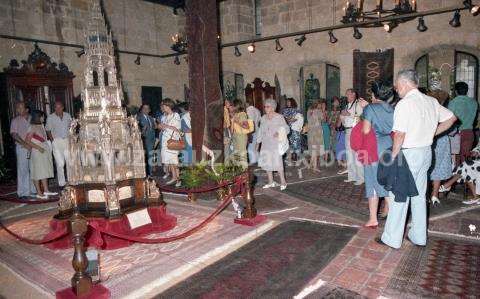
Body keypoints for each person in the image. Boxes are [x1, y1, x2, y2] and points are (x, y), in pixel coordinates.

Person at [378, 69, 456, 249]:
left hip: (408, 154)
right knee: (420, 195)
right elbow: (452, 118)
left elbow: (399, 134)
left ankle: (392, 238)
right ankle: (418, 236)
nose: (397, 90)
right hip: (426, 152)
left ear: (405, 84)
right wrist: (432, 133)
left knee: (399, 194)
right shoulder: (431, 101)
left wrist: (394, 156)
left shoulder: (404, 104)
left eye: (397, 87)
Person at [358, 81, 394, 228]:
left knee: (372, 182)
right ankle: (392, 215)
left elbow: (366, 130)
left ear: (373, 94)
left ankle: (373, 218)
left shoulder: (370, 108)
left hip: (373, 147)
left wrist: (366, 110)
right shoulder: (392, 108)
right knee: (387, 181)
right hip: (388, 145)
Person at [257, 99, 290, 191]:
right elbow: (260, 131)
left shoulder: (279, 117)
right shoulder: (263, 118)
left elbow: (287, 129)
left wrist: (279, 133)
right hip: (266, 142)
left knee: (278, 162)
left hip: (275, 143)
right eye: (265, 106)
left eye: (267, 106)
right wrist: (258, 143)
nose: (265, 108)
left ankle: (283, 182)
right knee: (267, 162)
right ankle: (271, 182)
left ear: (273, 107)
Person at [25, 110, 57, 199]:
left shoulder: (41, 125)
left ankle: (46, 190)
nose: (44, 118)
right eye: (42, 116)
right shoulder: (32, 127)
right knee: (37, 172)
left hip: (44, 150)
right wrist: (38, 148)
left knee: (44, 170)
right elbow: (27, 141)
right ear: (38, 117)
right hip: (37, 152)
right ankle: (39, 193)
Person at [428, 90, 452, 205]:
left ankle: (424, 194)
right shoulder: (445, 111)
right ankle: (434, 195)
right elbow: (453, 129)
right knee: (439, 167)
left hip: (430, 139)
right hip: (443, 140)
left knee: (427, 166)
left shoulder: (428, 110)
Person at [448, 81, 478, 165]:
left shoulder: (453, 103)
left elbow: (449, 120)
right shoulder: (474, 103)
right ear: (467, 91)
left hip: (456, 133)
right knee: (466, 158)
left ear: (456, 91)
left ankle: (456, 176)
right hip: (469, 132)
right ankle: (465, 176)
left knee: (456, 158)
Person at [10, 102, 36, 198]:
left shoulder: (32, 119)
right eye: (17, 108)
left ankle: (33, 190)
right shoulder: (15, 120)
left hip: (34, 147)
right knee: (23, 170)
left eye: (21, 108)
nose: (18, 110)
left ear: (26, 109)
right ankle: (23, 192)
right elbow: (14, 134)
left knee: (33, 169)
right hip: (22, 148)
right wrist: (25, 144)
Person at [340, 89, 364, 185]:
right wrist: (342, 116)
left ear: (353, 94)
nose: (347, 97)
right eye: (346, 95)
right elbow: (344, 119)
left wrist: (348, 114)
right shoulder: (347, 105)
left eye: (348, 95)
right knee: (349, 154)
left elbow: (361, 117)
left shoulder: (358, 104)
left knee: (357, 154)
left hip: (355, 131)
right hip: (347, 130)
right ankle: (352, 176)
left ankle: (361, 178)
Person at [46, 101, 72, 188]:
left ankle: (71, 180)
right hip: (56, 141)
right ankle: (62, 183)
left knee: (69, 161)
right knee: (60, 163)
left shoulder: (68, 115)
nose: (58, 109)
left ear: (63, 107)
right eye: (56, 107)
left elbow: (71, 127)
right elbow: (48, 130)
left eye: (59, 107)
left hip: (67, 140)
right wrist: (53, 141)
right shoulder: (50, 117)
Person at [157, 98, 182, 187]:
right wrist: (160, 126)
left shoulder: (176, 115)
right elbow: (163, 128)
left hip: (173, 140)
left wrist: (165, 126)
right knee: (170, 160)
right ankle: (174, 177)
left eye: (164, 105)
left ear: (168, 106)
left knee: (175, 161)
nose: (163, 107)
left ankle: (179, 179)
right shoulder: (166, 116)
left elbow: (177, 128)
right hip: (165, 140)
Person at [228, 99, 251, 169]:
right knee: (236, 156)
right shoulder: (236, 115)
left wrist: (236, 121)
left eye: (232, 105)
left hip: (241, 137)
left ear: (236, 106)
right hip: (235, 136)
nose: (231, 107)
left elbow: (246, 126)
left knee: (242, 156)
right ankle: (239, 174)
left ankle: (244, 175)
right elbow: (232, 129)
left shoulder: (242, 114)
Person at [137, 104, 156, 175]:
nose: (146, 110)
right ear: (141, 109)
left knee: (151, 154)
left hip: (152, 139)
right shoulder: (138, 118)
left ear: (149, 110)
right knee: (147, 155)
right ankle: (148, 172)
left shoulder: (151, 118)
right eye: (144, 108)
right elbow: (136, 129)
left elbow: (154, 128)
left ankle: (150, 171)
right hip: (144, 139)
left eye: (147, 108)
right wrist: (142, 132)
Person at [282, 98, 302, 163]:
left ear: (292, 102)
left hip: (294, 130)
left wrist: (288, 119)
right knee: (288, 144)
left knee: (296, 144)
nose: (287, 103)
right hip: (287, 130)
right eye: (287, 102)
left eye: (289, 102)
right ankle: (290, 159)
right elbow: (282, 119)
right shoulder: (284, 110)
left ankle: (297, 158)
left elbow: (295, 119)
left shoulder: (296, 110)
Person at [306, 100, 324, 171]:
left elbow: (309, 120)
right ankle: (312, 166)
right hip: (317, 131)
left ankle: (313, 166)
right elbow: (323, 119)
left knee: (314, 149)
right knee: (316, 150)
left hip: (311, 131)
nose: (321, 106)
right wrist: (322, 111)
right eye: (320, 104)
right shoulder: (318, 111)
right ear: (317, 105)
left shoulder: (309, 111)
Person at [331, 97, 347, 172]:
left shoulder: (342, 111)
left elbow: (339, 124)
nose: (337, 103)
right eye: (335, 102)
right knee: (339, 148)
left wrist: (338, 120)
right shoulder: (331, 111)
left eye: (338, 102)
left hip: (342, 131)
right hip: (339, 131)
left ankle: (345, 165)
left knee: (341, 148)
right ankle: (344, 165)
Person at [246, 99, 261, 165]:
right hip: (257, 129)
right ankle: (258, 159)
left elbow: (250, 121)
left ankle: (253, 161)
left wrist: (249, 132)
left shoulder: (249, 110)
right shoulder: (257, 110)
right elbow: (260, 120)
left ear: (247, 104)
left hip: (252, 131)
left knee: (250, 148)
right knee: (255, 147)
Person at [319, 99, 331, 163]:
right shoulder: (318, 112)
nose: (323, 106)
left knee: (326, 143)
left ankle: (326, 159)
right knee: (321, 144)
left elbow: (328, 122)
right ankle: (321, 159)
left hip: (326, 128)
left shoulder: (327, 112)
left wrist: (326, 116)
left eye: (324, 105)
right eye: (322, 104)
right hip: (320, 128)